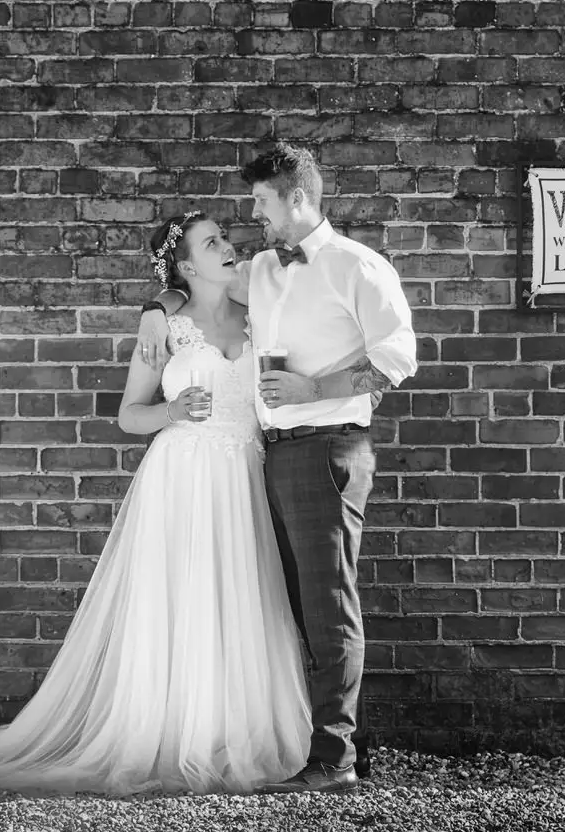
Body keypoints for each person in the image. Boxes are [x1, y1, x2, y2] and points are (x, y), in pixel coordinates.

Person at [0, 211, 310, 797]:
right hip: (183, 476)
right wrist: (172, 410)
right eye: (211, 242)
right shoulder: (165, 328)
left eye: (224, 238)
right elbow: (128, 415)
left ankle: (229, 732)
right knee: (180, 602)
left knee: (239, 595)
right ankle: (170, 733)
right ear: (187, 266)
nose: (227, 246)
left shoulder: (257, 317)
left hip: (243, 474)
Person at [136, 143, 417, 795]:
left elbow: (396, 358)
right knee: (291, 608)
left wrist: (314, 388)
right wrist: (155, 307)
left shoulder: (357, 266)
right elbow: (194, 286)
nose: (255, 215)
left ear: (295, 197)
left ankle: (335, 759)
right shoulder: (262, 268)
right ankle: (312, 742)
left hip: (329, 446)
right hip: (273, 452)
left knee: (329, 606)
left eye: (262, 202)